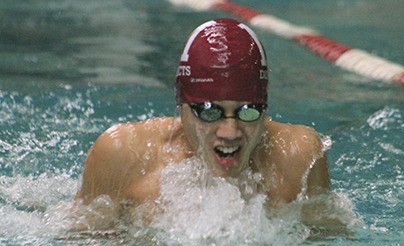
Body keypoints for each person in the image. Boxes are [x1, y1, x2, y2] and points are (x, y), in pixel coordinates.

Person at [71, 18, 340, 232]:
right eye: (210, 111)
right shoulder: (123, 155)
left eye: (248, 112)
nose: (230, 132)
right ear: (182, 105)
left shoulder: (299, 158)